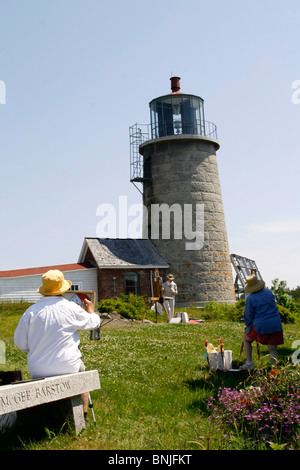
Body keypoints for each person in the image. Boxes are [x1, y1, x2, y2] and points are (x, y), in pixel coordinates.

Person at [14, 269, 101, 422]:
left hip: (38, 369)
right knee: (82, 371)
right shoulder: (70, 308)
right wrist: (91, 311)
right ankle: (84, 415)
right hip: (68, 366)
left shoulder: (30, 312)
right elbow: (94, 322)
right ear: (63, 289)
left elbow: (21, 344)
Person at [240, 274, 283, 370]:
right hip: (275, 324)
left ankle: (249, 363)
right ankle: (275, 370)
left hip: (262, 325)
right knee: (272, 349)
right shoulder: (269, 292)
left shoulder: (251, 298)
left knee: (246, 339)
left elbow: (248, 315)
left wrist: (248, 326)